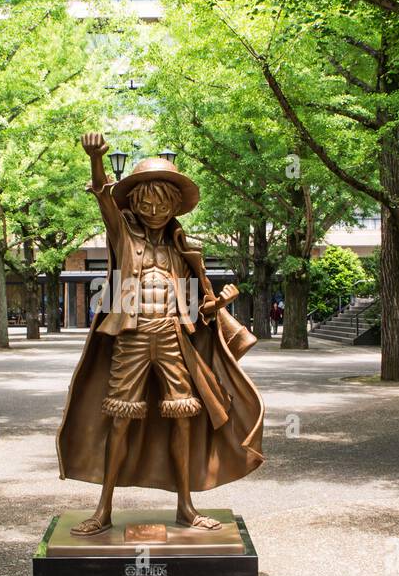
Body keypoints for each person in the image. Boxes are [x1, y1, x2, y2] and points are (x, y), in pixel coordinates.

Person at [56, 133, 264, 536]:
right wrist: (97, 160)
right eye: (147, 202)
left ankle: (186, 507)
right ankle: (104, 509)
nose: (154, 210)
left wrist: (215, 305)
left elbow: (192, 307)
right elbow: (102, 194)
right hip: (131, 337)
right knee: (119, 420)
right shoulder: (122, 234)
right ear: (133, 202)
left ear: (173, 207)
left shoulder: (181, 248)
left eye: (163, 204)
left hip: (172, 338)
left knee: (183, 418)